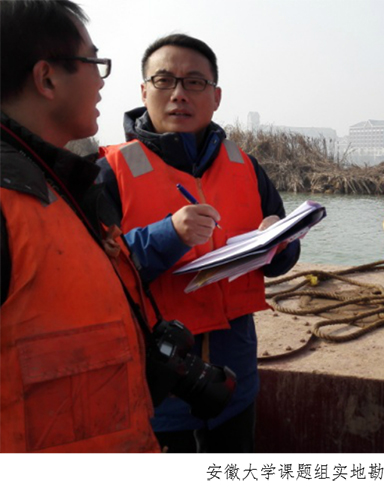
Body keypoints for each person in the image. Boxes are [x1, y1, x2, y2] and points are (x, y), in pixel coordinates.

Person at [96, 34, 301, 453]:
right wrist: (168, 235)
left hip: (235, 380)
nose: (178, 94)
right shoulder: (109, 171)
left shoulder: (246, 166)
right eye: (164, 81)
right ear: (144, 91)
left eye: (194, 82)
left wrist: (279, 242)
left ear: (216, 96)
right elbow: (94, 276)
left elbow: (282, 260)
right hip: (154, 390)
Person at [0, 0, 158, 453]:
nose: (102, 80)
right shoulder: (10, 204)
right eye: (93, 62)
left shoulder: (64, 185)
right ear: (47, 78)